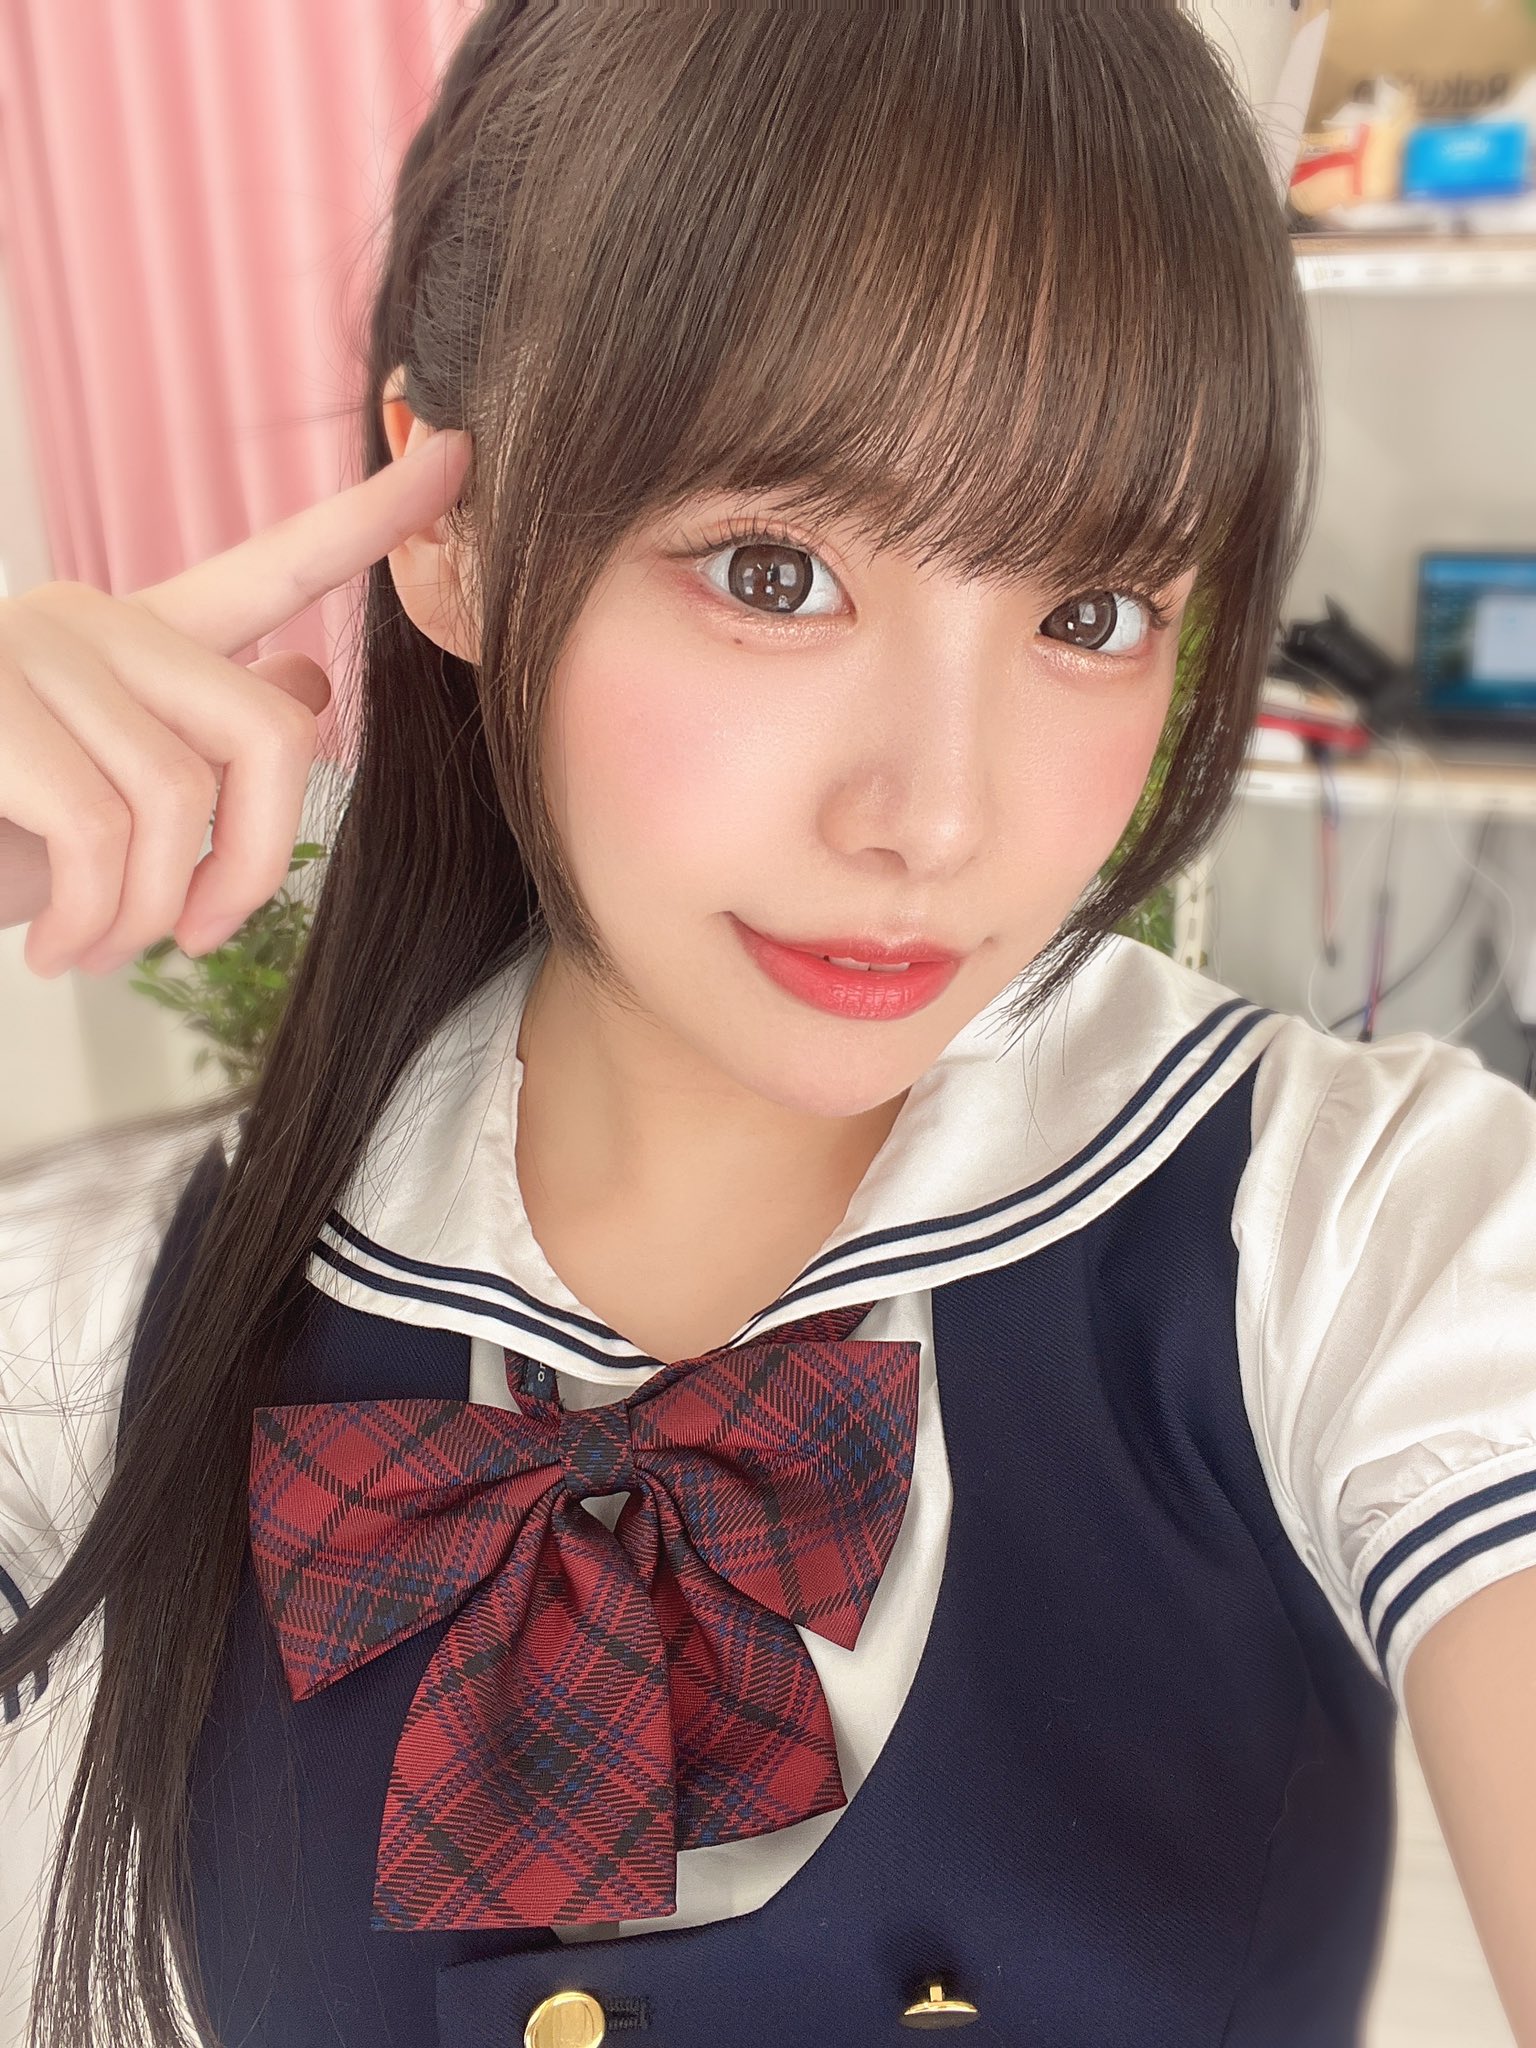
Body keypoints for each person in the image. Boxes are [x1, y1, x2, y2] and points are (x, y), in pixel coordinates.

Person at [1, 3, 1533, 2046]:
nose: (936, 819)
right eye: (772, 570)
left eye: (1090, 614)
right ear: (445, 527)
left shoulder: (1362, 1241)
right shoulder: (111, 1321)